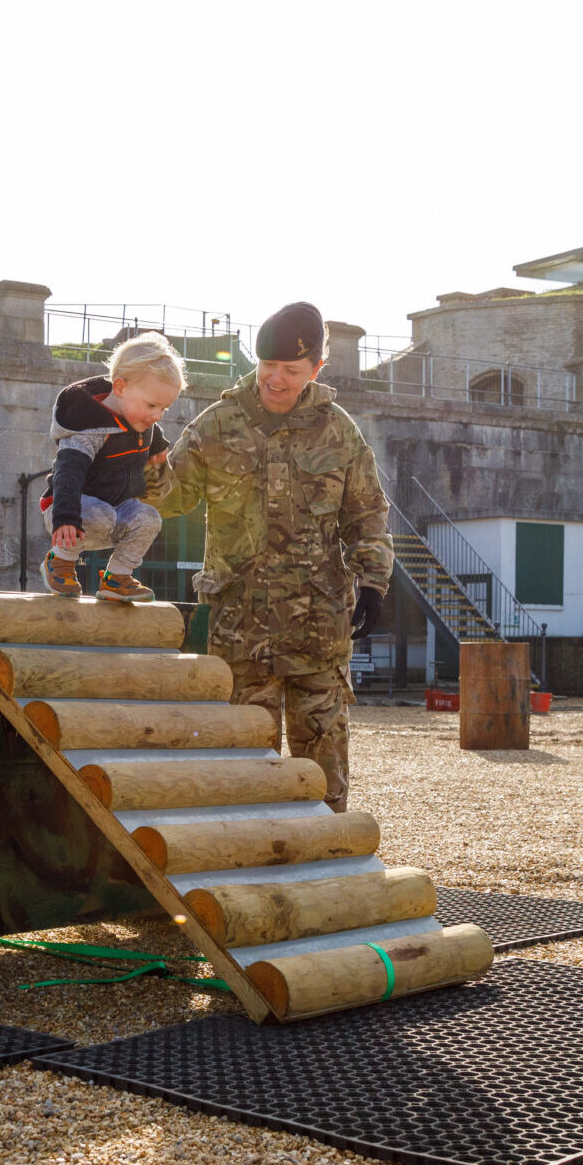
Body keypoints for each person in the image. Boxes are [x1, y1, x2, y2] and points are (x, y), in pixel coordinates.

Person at [146, 302, 392, 811]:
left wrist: (373, 582)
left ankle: (325, 873)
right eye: (268, 366)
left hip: (319, 627)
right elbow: (173, 498)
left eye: (291, 370)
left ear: (317, 369)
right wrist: (145, 464)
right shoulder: (218, 425)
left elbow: (366, 512)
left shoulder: (338, 431)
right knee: (242, 770)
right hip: (242, 629)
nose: (276, 380)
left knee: (322, 774)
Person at [42, 332, 185, 602]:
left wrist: (159, 448)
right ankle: (59, 561)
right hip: (68, 508)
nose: (157, 415)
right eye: (152, 405)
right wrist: (65, 518)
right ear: (119, 388)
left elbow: (152, 431)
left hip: (114, 510)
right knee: (101, 514)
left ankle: (116, 578)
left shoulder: (139, 418)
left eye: (164, 408)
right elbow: (67, 474)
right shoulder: (89, 429)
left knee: (149, 517)